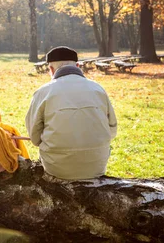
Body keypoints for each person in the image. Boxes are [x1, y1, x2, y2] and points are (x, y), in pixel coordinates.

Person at [25, 46, 118, 180]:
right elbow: (112, 130)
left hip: (56, 167)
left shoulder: (43, 92)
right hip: (96, 165)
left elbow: (34, 137)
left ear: (50, 69)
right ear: (78, 66)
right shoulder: (98, 89)